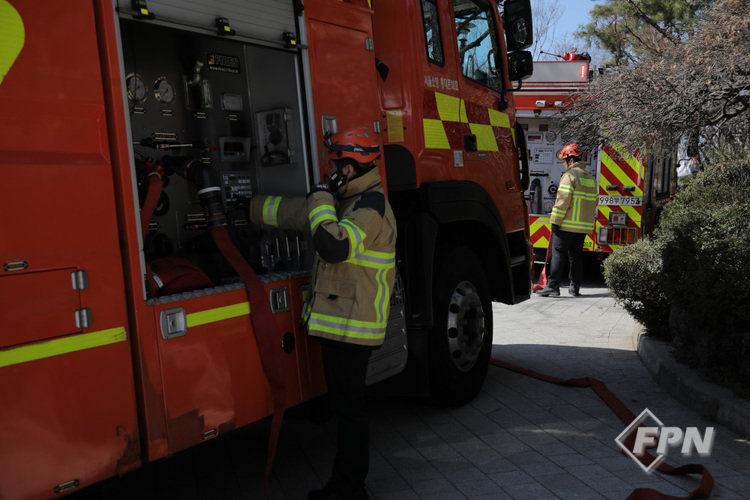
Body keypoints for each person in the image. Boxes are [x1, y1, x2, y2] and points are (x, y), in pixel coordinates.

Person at [247, 127, 397, 500]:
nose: (329, 170)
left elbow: (332, 245)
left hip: (353, 329)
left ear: (349, 168)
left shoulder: (370, 207)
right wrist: (249, 208)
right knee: (345, 407)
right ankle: (348, 484)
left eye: (333, 164)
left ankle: (349, 488)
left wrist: (319, 198)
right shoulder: (350, 200)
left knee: (349, 410)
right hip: (344, 325)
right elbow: (303, 214)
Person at [537, 143, 597, 297]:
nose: (564, 164)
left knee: (558, 253)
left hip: (566, 225)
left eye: (564, 161)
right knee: (576, 256)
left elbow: (563, 201)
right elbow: (594, 201)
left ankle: (553, 287)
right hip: (583, 227)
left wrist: (555, 221)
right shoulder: (590, 178)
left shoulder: (569, 176)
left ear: (570, 160)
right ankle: (575, 288)